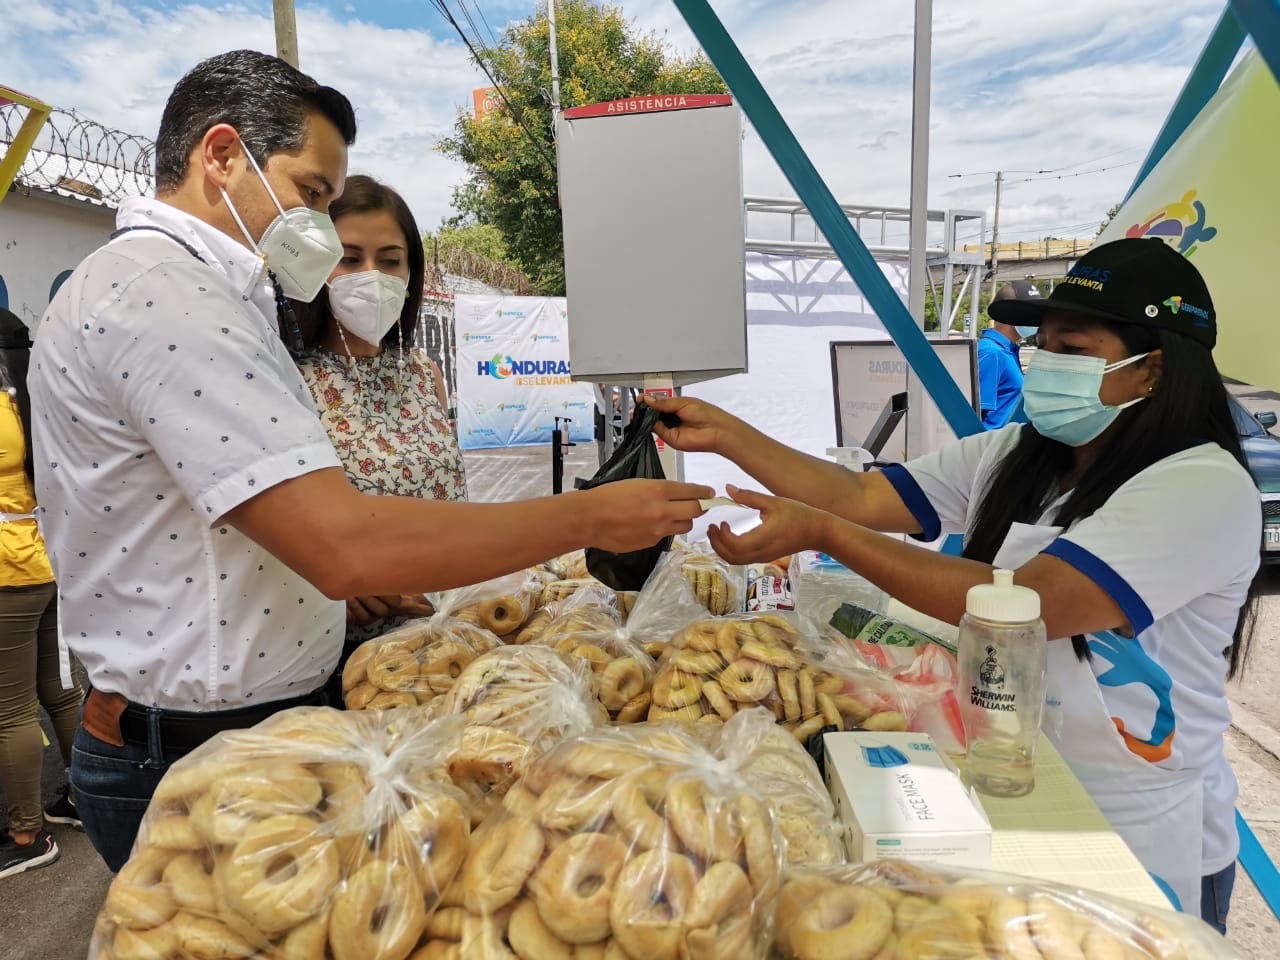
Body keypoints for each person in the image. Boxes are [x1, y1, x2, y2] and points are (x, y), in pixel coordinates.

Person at [28, 49, 709, 872]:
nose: (318, 222)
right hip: (195, 752)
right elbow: (342, 546)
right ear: (220, 155)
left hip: (253, 731)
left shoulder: (200, 295)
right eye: (311, 192)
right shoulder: (162, 294)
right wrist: (590, 515)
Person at [643, 238, 1258, 930]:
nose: (1044, 362)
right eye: (1042, 344)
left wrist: (825, 535)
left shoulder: (1201, 487)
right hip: (1013, 781)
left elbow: (1034, 600)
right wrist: (726, 434)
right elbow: (860, 495)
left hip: (1142, 826)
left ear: (1154, 370)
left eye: (1074, 349)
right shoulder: (1018, 455)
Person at [295, 175, 461, 654]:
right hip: (346, 659)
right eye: (349, 259)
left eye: (390, 261)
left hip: (447, 637)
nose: (372, 276)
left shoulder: (426, 375)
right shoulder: (291, 382)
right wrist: (331, 586)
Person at [0, 309, 83, 878]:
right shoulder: (28, 390)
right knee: (58, 690)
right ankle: (81, 795)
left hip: (8, 570)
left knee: (9, 711)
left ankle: (27, 834)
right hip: (47, 553)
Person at [976, 279, 1040, 428]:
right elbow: (976, 414)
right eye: (1030, 310)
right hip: (992, 447)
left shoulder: (1007, 351)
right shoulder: (991, 353)